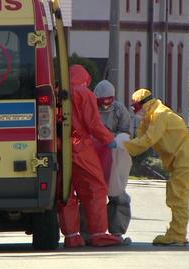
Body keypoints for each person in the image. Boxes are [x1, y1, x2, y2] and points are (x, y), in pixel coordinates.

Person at [122, 88, 189, 246]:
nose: (134, 112)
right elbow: (141, 135)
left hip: (185, 157)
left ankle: (178, 235)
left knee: (178, 197)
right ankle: (175, 232)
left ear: (144, 105)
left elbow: (148, 140)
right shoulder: (152, 116)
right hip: (182, 157)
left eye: (135, 107)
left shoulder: (160, 115)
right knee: (174, 195)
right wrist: (128, 141)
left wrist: (123, 147)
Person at [57, 65, 123, 248]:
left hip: (57, 147)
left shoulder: (57, 92)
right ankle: (99, 234)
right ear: (85, 79)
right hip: (80, 147)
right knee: (96, 188)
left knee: (65, 193)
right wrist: (109, 139)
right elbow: (93, 124)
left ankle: (71, 236)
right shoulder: (84, 94)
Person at [80, 80, 132, 243]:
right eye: (102, 101)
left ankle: (116, 231)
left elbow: (126, 133)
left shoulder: (119, 110)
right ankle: (87, 232)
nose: (105, 105)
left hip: (113, 158)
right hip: (91, 157)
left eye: (108, 100)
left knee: (117, 193)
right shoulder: (88, 108)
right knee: (90, 195)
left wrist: (116, 141)